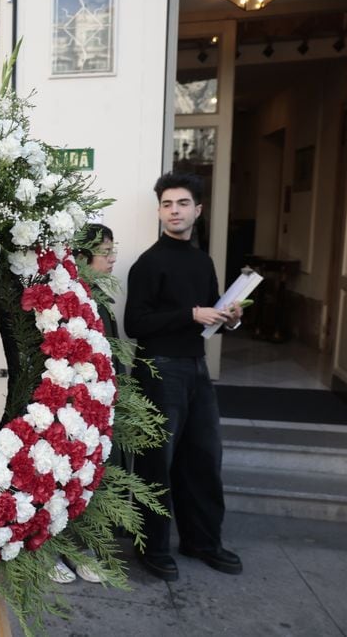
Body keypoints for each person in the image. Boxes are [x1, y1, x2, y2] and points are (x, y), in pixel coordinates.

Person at [124, 172, 243, 582]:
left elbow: (210, 316)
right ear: (160, 211)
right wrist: (190, 314)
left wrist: (228, 317)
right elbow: (134, 323)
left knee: (204, 458)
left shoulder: (202, 261)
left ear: (198, 210)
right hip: (158, 369)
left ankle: (202, 541)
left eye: (182, 204)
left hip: (196, 368)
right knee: (157, 463)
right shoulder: (149, 262)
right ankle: (152, 547)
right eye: (167, 204)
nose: (174, 211)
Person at [46, 223, 122, 585]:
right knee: (61, 482)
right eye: (105, 252)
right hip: (67, 408)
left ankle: (83, 549)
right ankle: (51, 551)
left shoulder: (101, 300)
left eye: (112, 251)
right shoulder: (67, 299)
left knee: (91, 482)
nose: (111, 258)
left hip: (97, 409)